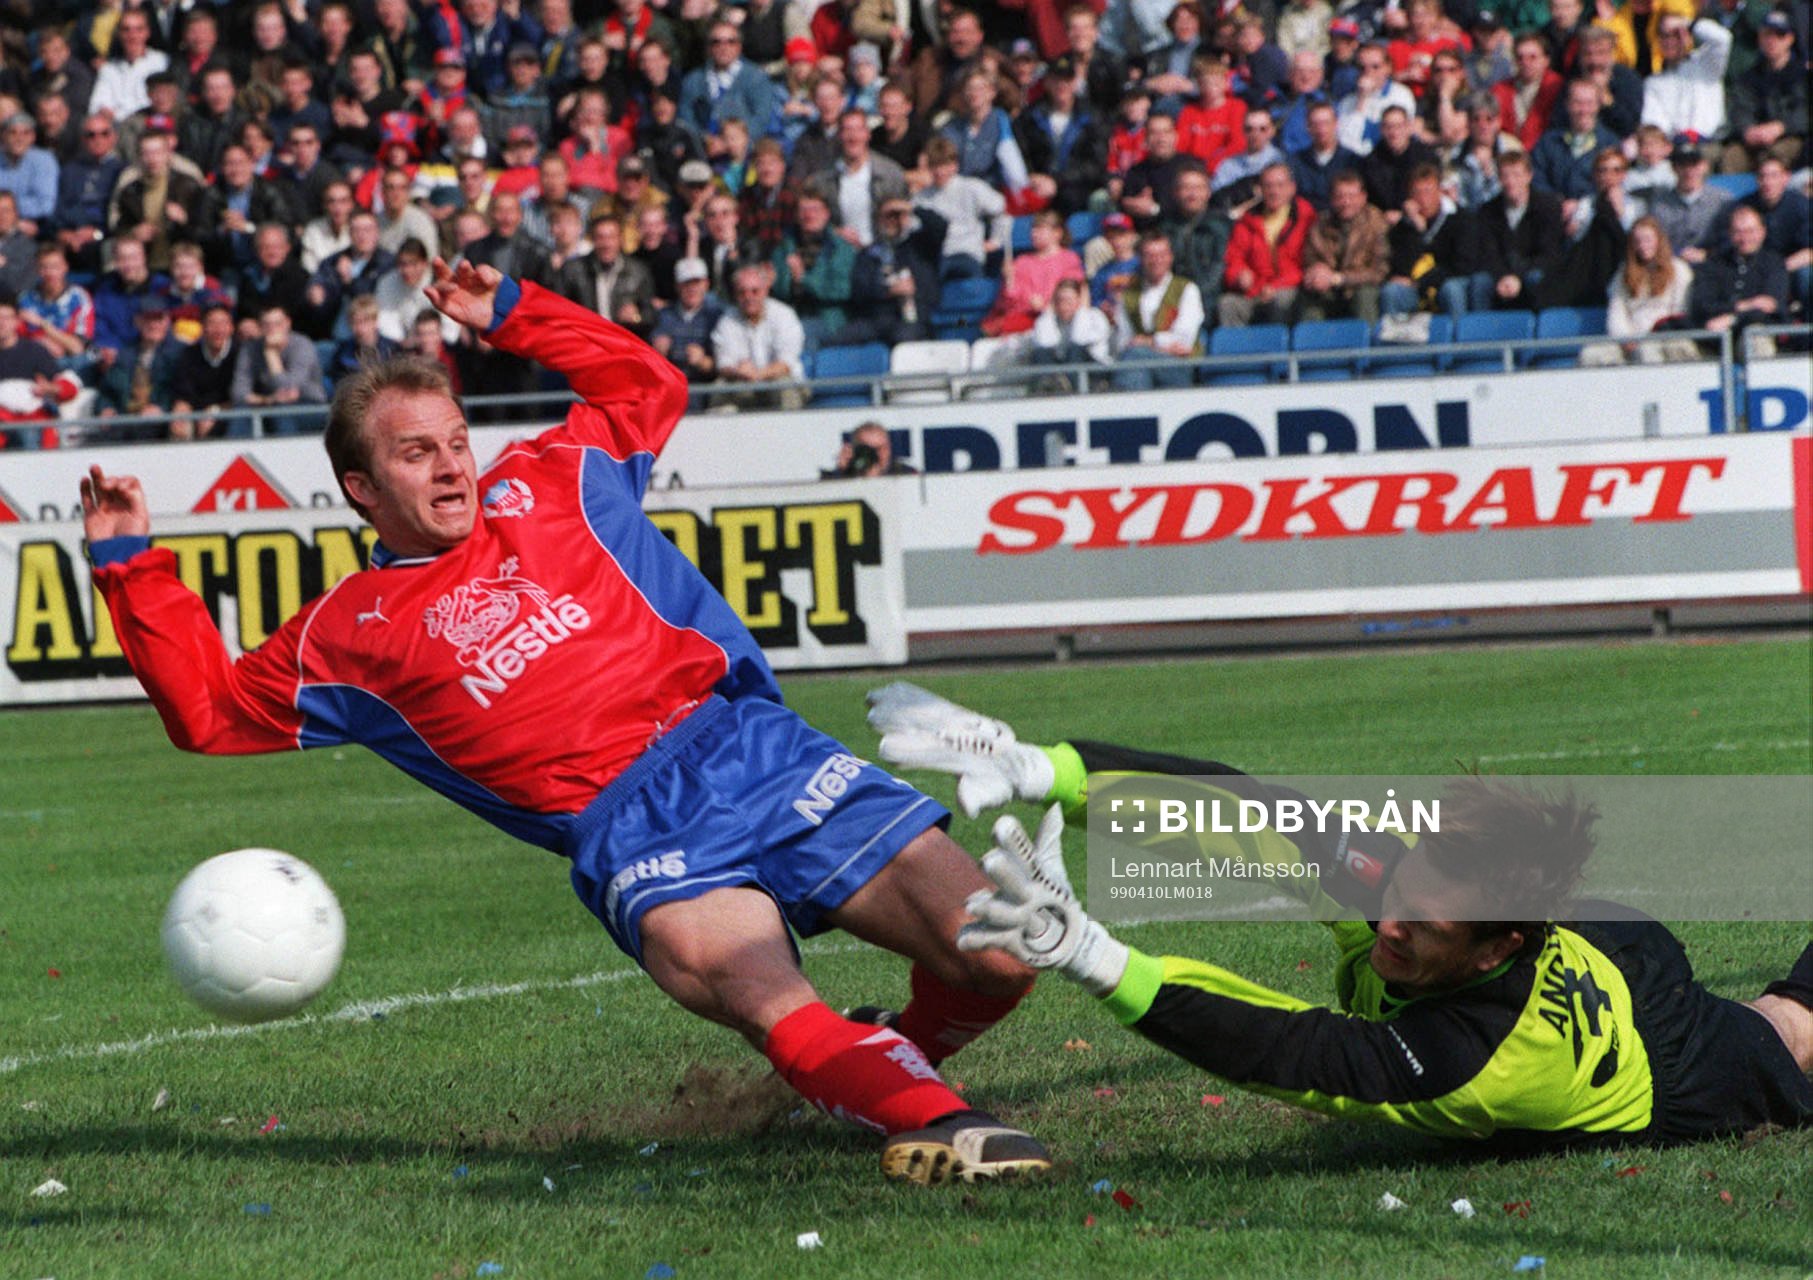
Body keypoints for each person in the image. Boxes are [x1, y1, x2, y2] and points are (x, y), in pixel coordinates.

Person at [82, 262, 1049, 1186]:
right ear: (362, 490)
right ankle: (939, 1124)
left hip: (750, 747)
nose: (452, 467)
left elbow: (648, 379)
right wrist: (131, 563)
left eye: (456, 441)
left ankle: (885, 1062)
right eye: (416, 454)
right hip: (632, 827)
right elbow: (207, 713)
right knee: (760, 993)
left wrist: (511, 309)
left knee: (1002, 962)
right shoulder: (344, 635)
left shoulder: (552, 479)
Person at [866, 684, 1813, 1150]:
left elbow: (1298, 1052)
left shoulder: (1476, 1061)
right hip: (1600, 942)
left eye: (1421, 927)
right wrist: (1048, 768)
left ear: (1497, 944)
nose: (1388, 924)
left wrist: (1093, 955)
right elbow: (1257, 817)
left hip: (1670, 1060)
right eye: (1396, 899)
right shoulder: (1423, 897)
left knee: (1788, 1030)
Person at [1581, 216, 1699, 365]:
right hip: (1629, 337)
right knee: (1591, 354)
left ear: (1658, 240)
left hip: (1664, 336)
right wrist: (1625, 338)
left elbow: (1680, 312)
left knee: (1647, 351)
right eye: (1637, 241)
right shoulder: (1623, 273)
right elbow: (1616, 312)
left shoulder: (1679, 270)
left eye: (1648, 240)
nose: (1643, 246)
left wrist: (1654, 335)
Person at [1218, 162, 1314, 327]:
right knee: (1227, 304)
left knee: (1280, 301)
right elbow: (1234, 257)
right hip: (1255, 290)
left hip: (1290, 289)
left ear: (1292, 188)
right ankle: (1238, 352)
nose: (1274, 191)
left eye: (1280, 185)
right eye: (1268, 186)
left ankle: (1276, 351)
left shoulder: (1306, 218)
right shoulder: (1247, 221)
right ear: (1260, 189)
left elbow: (1309, 263)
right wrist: (1239, 275)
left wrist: (1275, 286)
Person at [1111, 230, 1204, 389]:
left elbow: (1183, 339)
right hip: (1138, 365)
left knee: (1135, 356)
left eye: (1162, 254)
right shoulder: (1129, 294)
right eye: (1150, 255)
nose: (1156, 261)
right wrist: (1163, 344)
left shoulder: (1187, 289)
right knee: (1134, 360)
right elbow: (1122, 342)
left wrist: (1148, 341)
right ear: (1140, 258)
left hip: (1179, 366)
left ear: (1170, 257)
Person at [711, 262, 808, 410]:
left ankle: (787, 432)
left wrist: (757, 374)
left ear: (765, 290)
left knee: (783, 386)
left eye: (754, 291)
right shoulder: (727, 321)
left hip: (780, 381)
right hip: (743, 383)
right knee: (720, 387)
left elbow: (785, 363)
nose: (748, 297)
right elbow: (724, 364)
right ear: (735, 295)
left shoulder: (784, 315)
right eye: (742, 292)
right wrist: (737, 371)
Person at [1298, 168, 1389, 322]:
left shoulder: (1376, 224)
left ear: (1363, 197)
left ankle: (1367, 344)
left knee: (1364, 296)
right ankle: (1312, 344)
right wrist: (1316, 272)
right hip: (1329, 289)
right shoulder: (1321, 223)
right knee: (1309, 296)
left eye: (1351, 196)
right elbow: (1310, 257)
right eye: (1340, 197)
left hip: (1361, 287)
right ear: (1332, 199)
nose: (1346, 202)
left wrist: (1339, 278)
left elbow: (1380, 271)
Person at [1720, 12, 1806, 175]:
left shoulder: (1802, 75)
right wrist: (1748, 130)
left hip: (1792, 137)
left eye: (1779, 35)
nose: (1772, 40)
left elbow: (1805, 112)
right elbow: (1739, 109)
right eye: (1767, 34)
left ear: (1790, 39)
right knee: (1732, 156)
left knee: (1775, 155)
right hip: (1754, 140)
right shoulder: (1749, 76)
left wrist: (1782, 127)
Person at [231, 304, 327, 433]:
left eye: (277, 324)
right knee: (240, 414)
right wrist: (268, 399)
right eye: (266, 325)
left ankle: (288, 453)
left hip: (308, 405)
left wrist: (271, 353)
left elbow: (287, 388)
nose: (272, 329)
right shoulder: (250, 349)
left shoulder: (302, 345)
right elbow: (238, 392)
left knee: (282, 412)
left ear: (288, 323)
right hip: (267, 404)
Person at [650, 257, 724, 387]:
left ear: (706, 284)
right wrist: (658, 351)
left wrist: (703, 361)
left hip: (707, 388)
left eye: (696, 282)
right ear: (677, 286)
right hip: (673, 385)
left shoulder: (717, 316)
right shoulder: (665, 315)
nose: (692, 288)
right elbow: (655, 354)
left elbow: (725, 364)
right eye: (686, 283)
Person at [828, 420, 918, 477]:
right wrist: (841, 473)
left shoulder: (907, 475)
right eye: (870, 449)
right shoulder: (846, 475)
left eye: (881, 448)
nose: (876, 455)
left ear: (889, 448)